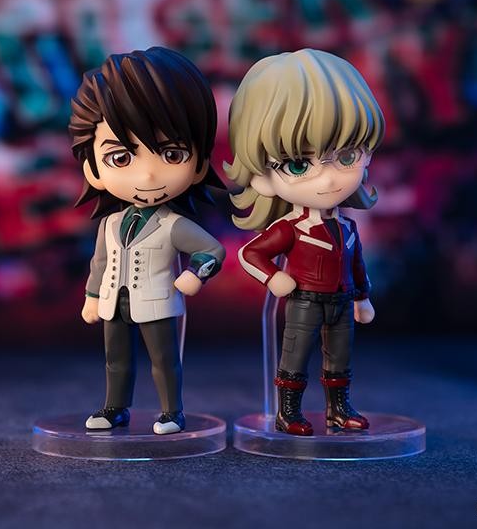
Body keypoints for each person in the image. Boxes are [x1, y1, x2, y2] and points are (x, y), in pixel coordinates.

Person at [225, 49, 384, 435]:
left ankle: (338, 409)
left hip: (342, 301)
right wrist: (273, 278)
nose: (327, 179)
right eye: (298, 164)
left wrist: (362, 297)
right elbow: (251, 253)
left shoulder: (347, 227)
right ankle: (288, 412)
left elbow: (356, 264)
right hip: (305, 301)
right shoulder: (291, 228)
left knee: (339, 358)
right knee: (295, 356)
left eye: (346, 156)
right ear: (262, 177)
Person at [69, 47, 225, 434]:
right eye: (121, 158)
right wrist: (92, 296)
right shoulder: (110, 223)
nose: (149, 176)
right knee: (116, 359)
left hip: (156, 301)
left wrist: (196, 274)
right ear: (93, 169)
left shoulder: (173, 225)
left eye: (172, 154)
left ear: (199, 165)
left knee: (163, 360)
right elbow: (100, 263)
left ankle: (172, 412)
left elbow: (212, 250)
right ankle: (115, 407)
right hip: (113, 301)